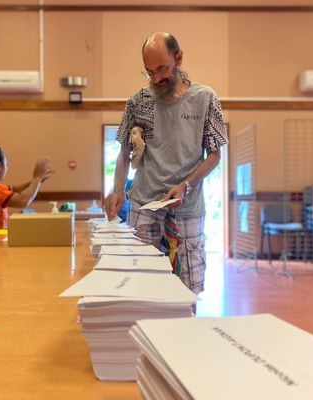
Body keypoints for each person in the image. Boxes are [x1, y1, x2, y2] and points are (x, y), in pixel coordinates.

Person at [104, 32, 228, 294]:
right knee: (142, 285)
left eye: (163, 69)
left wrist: (186, 186)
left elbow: (215, 156)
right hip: (144, 206)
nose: (157, 78)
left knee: (188, 289)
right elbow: (124, 152)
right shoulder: (139, 101)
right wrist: (117, 192)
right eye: (150, 72)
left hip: (188, 210)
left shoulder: (205, 98)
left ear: (179, 58)